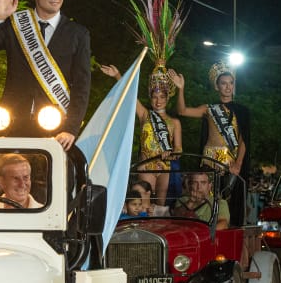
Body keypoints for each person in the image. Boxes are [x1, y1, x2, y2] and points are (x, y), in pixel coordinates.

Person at [0, 0, 91, 150]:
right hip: (14, 122)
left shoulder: (78, 34)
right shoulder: (16, 24)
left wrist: (71, 128)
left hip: (57, 125)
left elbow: (82, 86)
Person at [170, 66, 249, 223]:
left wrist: (238, 164)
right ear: (216, 86)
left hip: (230, 161)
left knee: (226, 198)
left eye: (231, 83)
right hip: (209, 159)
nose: (228, 86)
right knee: (204, 197)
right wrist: (180, 89)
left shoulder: (242, 111)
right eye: (223, 83)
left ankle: (224, 229)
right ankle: (204, 226)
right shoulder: (209, 109)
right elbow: (182, 111)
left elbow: (243, 139)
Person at [98, 63, 182, 204]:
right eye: (155, 97)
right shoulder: (144, 114)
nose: (158, 101)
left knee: (160, 204)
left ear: (167, 98)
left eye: (162, 97)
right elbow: (129, 95)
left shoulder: (174, 122)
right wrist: (117, 76)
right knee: (144, 201)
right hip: (146, 164)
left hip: (165, 165)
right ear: (150, 98)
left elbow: (179, 149)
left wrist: (172, 153)